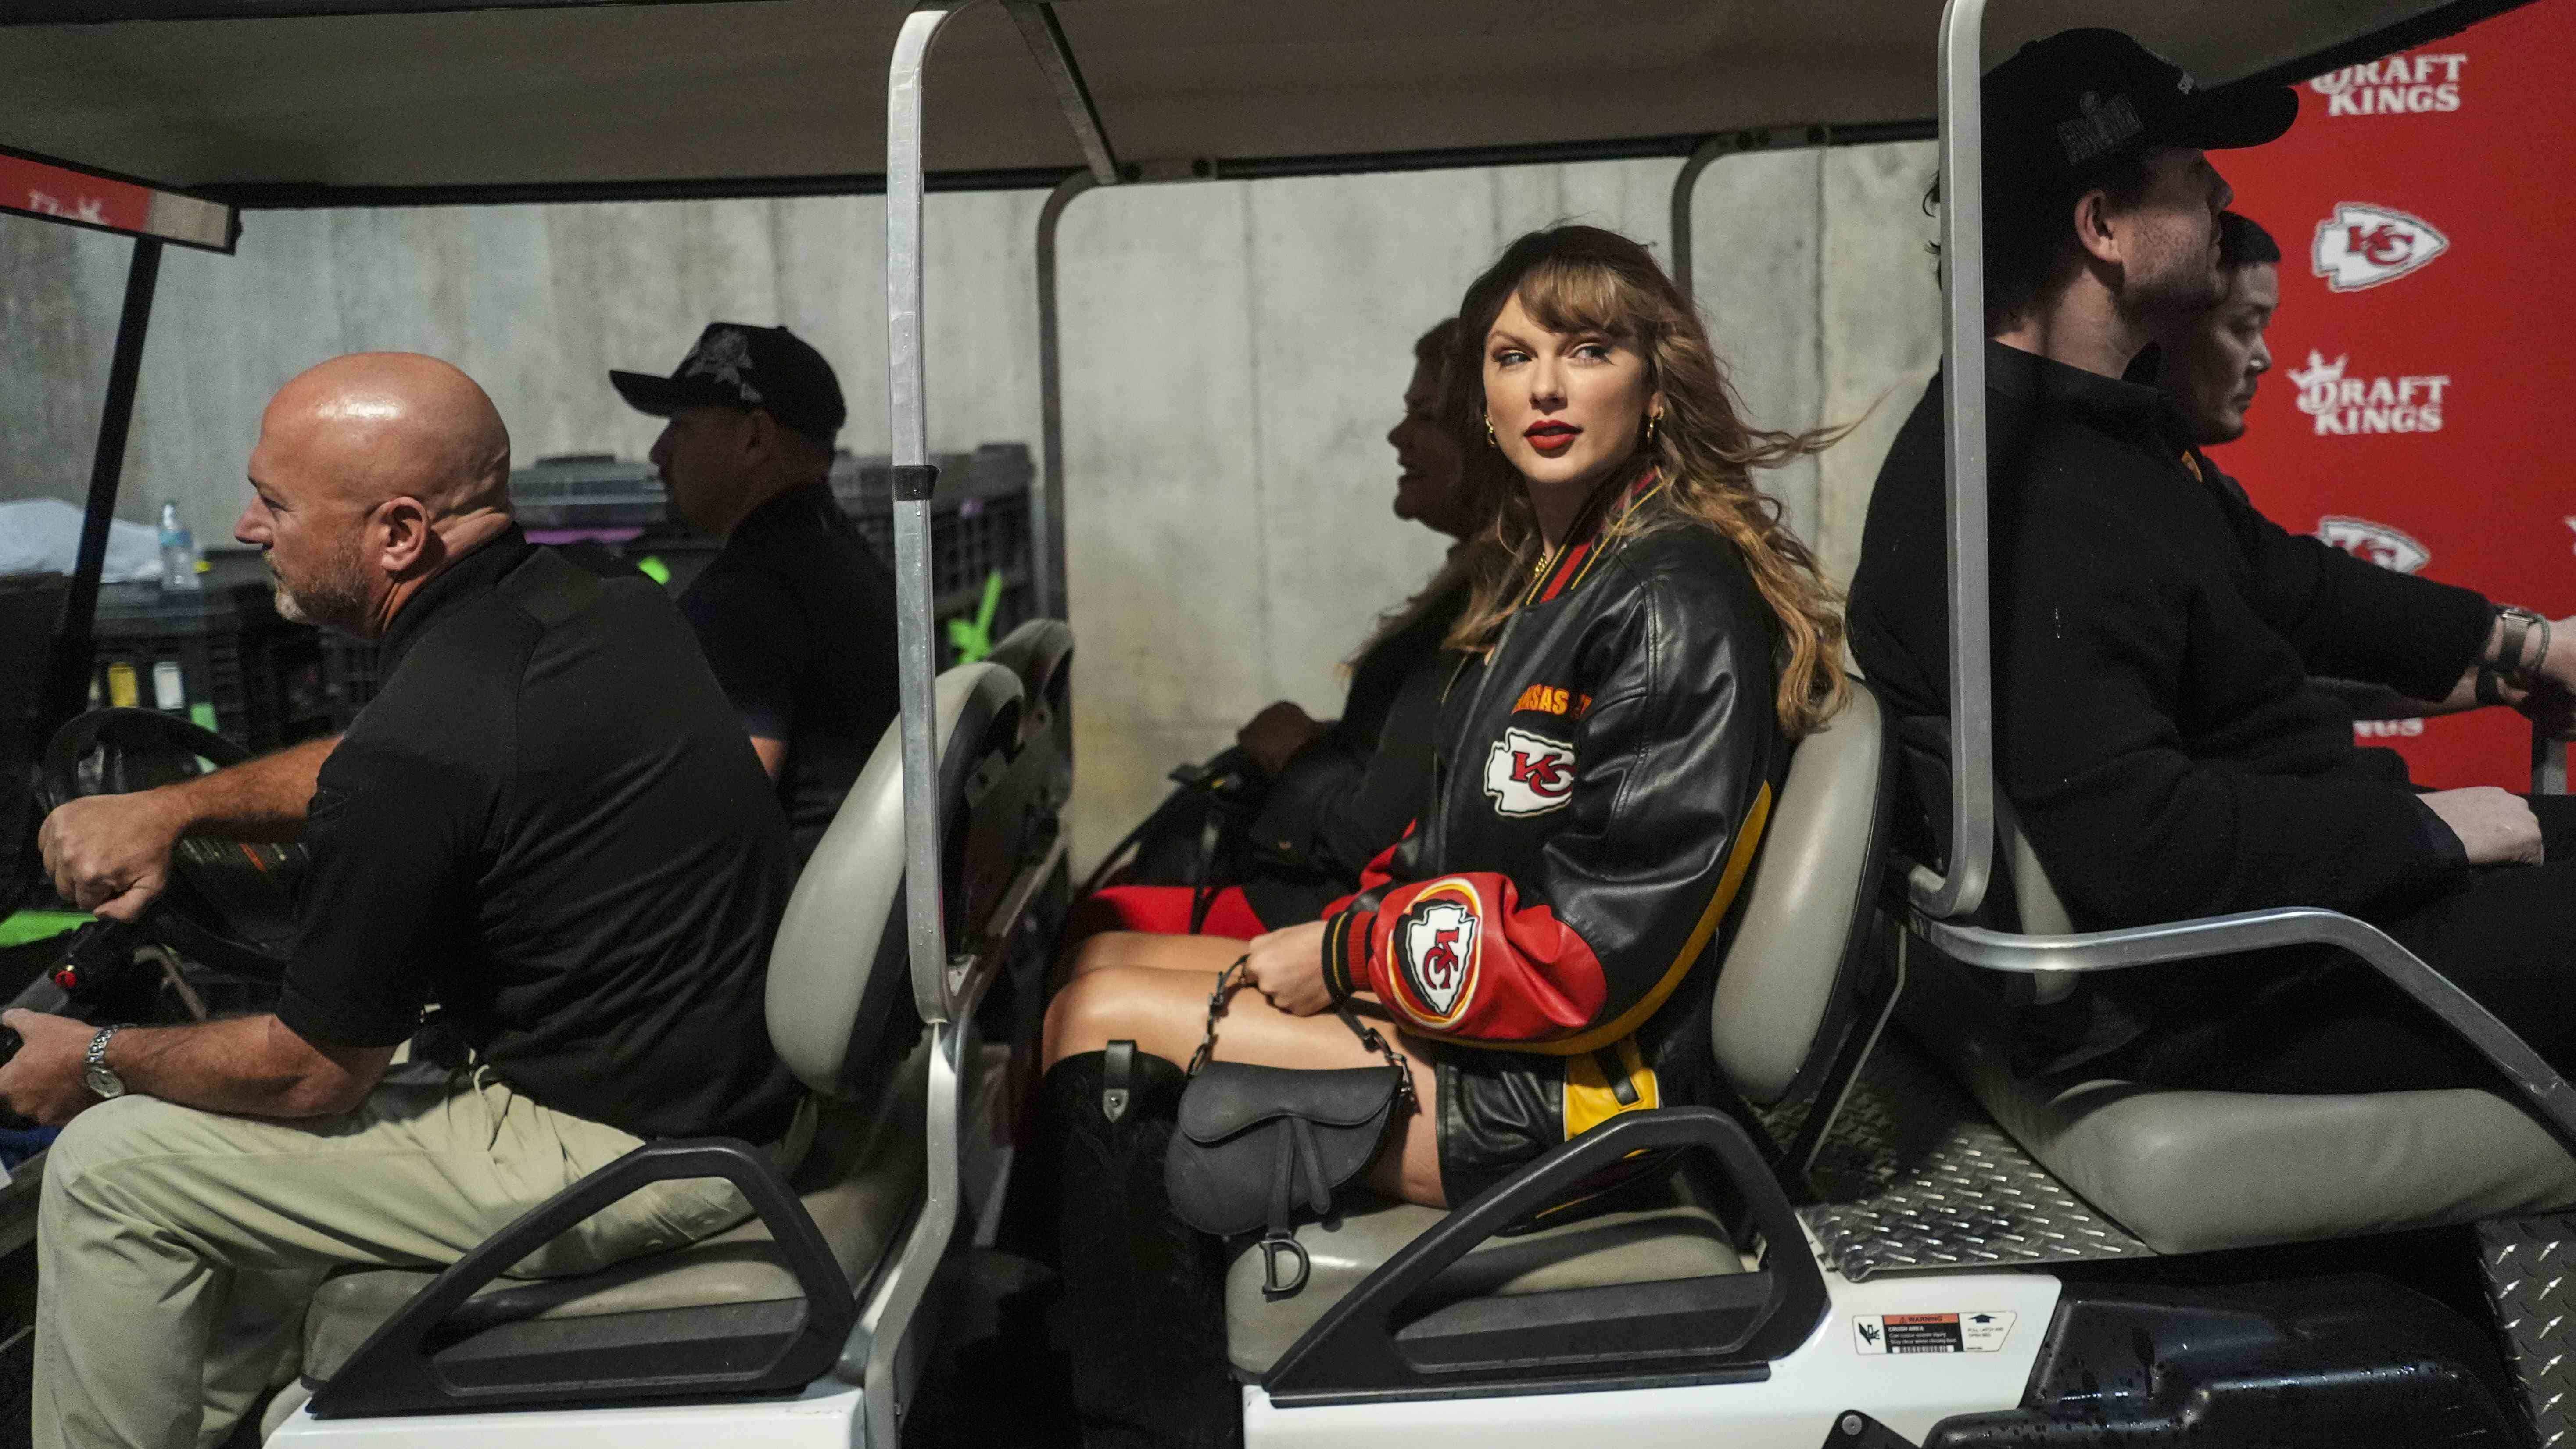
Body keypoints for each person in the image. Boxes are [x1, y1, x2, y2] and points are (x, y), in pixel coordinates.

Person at [1033, 225, 1847, 1447]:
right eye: (1515, 357)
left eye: (1586, 350)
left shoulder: (1672, 599)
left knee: (1099, 1029)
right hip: (1498, 1031)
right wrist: (1352, 924)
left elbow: (1588, 957)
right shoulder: (1573, 567)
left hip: (1578, 1093)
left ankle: (1148, 1420)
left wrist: (1351, 953)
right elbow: (1459, 844)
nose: (1548, 388)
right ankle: (1128, 1377)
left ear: (1653, 375)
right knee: (1094, 972)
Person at [21, 353, 803, 1449]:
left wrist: (90, 1057)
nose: (247, 526)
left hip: (620, 1155)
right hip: (716, 1094)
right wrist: (177, 808)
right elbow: (405, 764)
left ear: (398, 534)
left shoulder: (422, 745)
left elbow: (313, 1071)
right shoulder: (599, 601)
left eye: (276, 502)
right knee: (217, 1145)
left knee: (114, 1166)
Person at [1847, 29, 2576, 1092]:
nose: (2223, 198)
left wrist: (2526, 644)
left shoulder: (2092, 428)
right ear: (2101, 226)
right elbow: (2140, 840)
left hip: (2300, 919)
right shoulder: (2015, 492)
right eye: (2194, 184)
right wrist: (2420, 827)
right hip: (2231, 983)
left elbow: (2287, 585)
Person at [1078, 318, 1479, 939]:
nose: (1397, 435)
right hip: (1326, 893)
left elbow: (1378, 836)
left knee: (1098, 930)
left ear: (1485, 440)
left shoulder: (1487, 607)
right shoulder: (1475, 581)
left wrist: (1296, 753)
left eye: (1425, 416)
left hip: (1343, 916)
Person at [2153, 211, 2570, 730]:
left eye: (2266, 326)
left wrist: (2497, 677)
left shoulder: (2204, 486)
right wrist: (2530, 646)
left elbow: (2287, 677)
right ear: (2160, 330)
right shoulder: (2140, 498)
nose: (2265, 357)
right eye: (2242, 326)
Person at [613, 322, 900, 868]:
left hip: (800, 930)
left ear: (754, 439)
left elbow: (709, 822)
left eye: (682, 426)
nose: (658, 453)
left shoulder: (748, 596)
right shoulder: (842, 555)